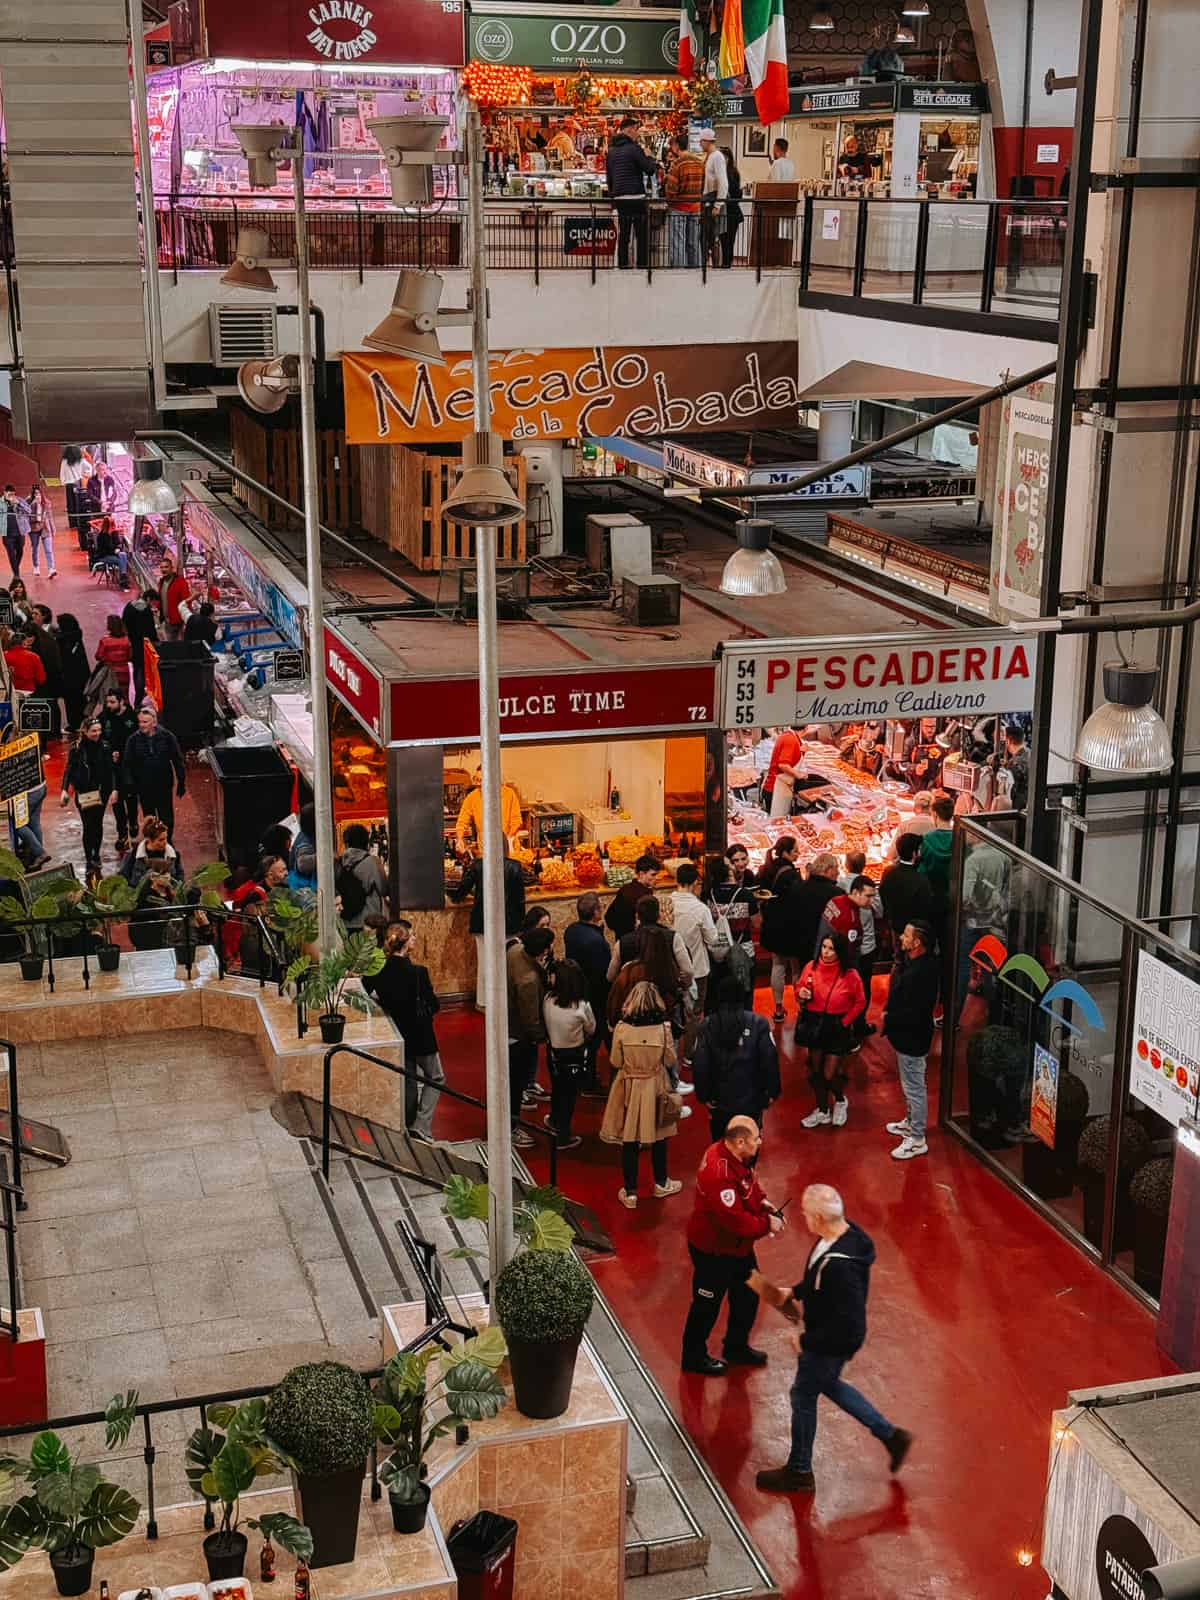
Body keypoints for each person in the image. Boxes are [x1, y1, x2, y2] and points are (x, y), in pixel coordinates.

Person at [755, 1184, 912, 1493]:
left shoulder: (840, 1267)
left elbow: (847, 1320)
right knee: (826, 1385)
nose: (802, 1217)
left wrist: (807, 1342)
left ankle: (799, 1470)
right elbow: (818, 1279)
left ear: (818, 1218)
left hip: (830, 1341)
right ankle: (890, 1436)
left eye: (805, 1213)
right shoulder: (844, 1234)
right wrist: (796, 1292)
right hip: (830, 1337)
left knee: (803, 1395)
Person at [681, 1115, 782, 1375]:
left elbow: (748, 1183)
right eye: (756, 1138)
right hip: (714, 1250)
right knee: (706, 1305)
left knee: (748, 1294)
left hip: (737, 1249)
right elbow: (734, 1221)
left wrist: (761, 1203)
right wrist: (767, 1224)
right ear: (740, 1141)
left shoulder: (731, 1156)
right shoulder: (719, 1173)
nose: (760, 1141)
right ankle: (693, 1357)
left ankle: (736, 1347)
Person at [600, 981, 681, 1207]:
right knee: (660, 1135)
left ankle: (630, 1191)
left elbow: (615, 1060)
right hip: (655, 1084)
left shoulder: (622, 1028)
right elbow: (670, 1060)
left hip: (629, 1086)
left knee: (629, 1139)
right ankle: (661, 1182)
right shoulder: (663, 1028)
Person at [363, 922, 445, 1142]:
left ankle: (407, 1125)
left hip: (397, 1033)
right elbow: (434, 1005)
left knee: (408, 1078)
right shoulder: (418, 973)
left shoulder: (379, 969)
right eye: (413, 936)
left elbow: (364, 991)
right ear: (406, 942)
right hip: (422, 1036)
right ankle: (422, 1125)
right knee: (436, 1077)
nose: (415, 939)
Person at [694, 977, 780, 1140]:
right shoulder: (759, 1023)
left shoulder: (707, 1025)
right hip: (752, 1101)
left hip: (719, 1102)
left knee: (721, 1145)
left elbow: (701, 1064)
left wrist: (704, 1095)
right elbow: (770, 1059)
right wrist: (772, 1092)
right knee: (749, 1145)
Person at [797, 933, 866, 1129]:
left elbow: (860, 1002)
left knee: (830, 1073)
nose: (826, 953)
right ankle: (822, 1110)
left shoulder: (850, 974)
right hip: (814, 1023)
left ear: (840, 952)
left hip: (836, 1026)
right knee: (816, 1071)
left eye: (831, 949)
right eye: (824, 947)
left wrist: (845, 1022)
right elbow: (800, 987)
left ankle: (840, 1100)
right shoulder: (811, 966)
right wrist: (800, 993)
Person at [882, 920, 938, 1159]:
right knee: (909, 1084)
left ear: (917, 943)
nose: (901, 938)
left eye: (906, 935)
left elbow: (914, 1010)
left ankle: (917, 1138)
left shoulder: (921, 973)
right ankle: (910, 1121)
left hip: (912, 1037)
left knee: (914, 1087)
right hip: (905, 1035)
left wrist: (889, 1017)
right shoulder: (913, 965)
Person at [450, 837, 526, 1008]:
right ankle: (503, 1002)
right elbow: (520, 899)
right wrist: (521, 924)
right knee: (506, 963)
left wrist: (452, 895)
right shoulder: (515, 867)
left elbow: (461, 890)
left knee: (485, 962)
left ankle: (483, 1002)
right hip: (508, 923)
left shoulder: (478, 865)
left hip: (482, 921)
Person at [506, 925, 554, 1150]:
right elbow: (530, 1019)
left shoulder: (514, 951)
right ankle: (511, 1128)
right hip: (518, 1036)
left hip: (505, 1026)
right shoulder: (530, 980)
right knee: (515, 1084)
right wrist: (543, 1037)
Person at [542, 958, 595, 1152]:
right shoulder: (582, 1006)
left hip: (553, 1052)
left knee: (557, 1089)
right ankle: (563, 1136)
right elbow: (591, 1028)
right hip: (574, 1054)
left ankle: (554, 1120)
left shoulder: (547, 1000)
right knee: (569, 1096)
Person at [563, 891, 611, 1094]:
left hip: (579, 989)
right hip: (595, 993)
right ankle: (587, 1080)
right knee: (596, 1035)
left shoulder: (571, 931)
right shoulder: (597, 942)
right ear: (595, 912)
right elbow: (604, 972)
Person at [671, 862, 718, 1059]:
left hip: (672, 968)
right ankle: (690, 1054)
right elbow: (712, 939)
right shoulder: (700, 909)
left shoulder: (667, 902)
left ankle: (671, 1056)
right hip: (697, 968)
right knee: (694, 1013)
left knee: (672, 1012)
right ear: (694, 883)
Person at [61, 716, 116, 877]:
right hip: (83, 792)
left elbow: (111, 769)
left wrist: (113, 789)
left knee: (97, 823)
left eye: (99, 730)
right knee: (87, 824)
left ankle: (96, 854)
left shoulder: (105, 746)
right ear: (85, 731)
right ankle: (88, 858)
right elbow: (69, 769)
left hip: (101, 792)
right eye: (93, 731)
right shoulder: (76, 748)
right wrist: (64, 789)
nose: (97, 733)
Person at [122, 703, 186, 840]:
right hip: (143, 785)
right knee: (149, 817)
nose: (141, 725)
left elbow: (177, 759)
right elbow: (127, 764)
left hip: (163, 783)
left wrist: (181, 781)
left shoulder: (168, 737)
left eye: (145, 722)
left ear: (154, 722)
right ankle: (152, 842)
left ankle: (167, 842)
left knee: (166, 816)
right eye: (140, 722)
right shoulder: (132, 740)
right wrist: (130, 784)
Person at [605, 116, 659, 270]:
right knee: (641, 235)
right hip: (636, 197)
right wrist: (649, 156)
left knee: (624, 235)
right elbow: (649, 170)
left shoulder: (611, 151)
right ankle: (642, 266)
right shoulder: (635, 149)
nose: (637, 133)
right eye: (636, 130)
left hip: (620, 198)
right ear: (629, 130)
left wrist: (613, 199)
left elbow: (609, 177)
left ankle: (623, 266)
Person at [880, 833, 935, 943]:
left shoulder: (888, 873)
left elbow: (883, 895)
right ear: (914, 854)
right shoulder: (921, 880)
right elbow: (926, 908)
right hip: (913, 932)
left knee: (898, 954)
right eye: (919, 849)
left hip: (895, 926)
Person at [100, 689, 137, 850]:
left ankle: (134, 821)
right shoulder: (104, 717)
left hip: (130, 765)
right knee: (116, 801)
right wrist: (109, 752)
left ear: (122, 701)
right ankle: (122, 832)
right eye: (107, 702)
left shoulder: (132, 717)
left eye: (112, 702)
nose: (109, 705)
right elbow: (99, 737)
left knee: (131, 796)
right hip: (112, 767)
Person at [454, 766, 522, 852]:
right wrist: (459, 839)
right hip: (485, 850)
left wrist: (507, 840)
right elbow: (462, 822)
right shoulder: (472, 797)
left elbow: (516, 821)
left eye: (480, 780)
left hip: (508, 847)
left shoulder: (509, 794)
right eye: (476, 779)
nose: (477, 784)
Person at [917, 792, 956, 942]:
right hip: (952, 896)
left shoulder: (927, 839)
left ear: (934, 814)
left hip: (932, 896)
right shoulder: (958, 838)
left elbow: (922, 868)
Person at [336, 822, 389, 931]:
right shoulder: (373, 862)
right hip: (369, 923)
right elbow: (383, 889)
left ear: (346, 843)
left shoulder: (339, 863)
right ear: (366, 841)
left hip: (345, 923)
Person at [665, 133, 704, 268]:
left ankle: (678, 273)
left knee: (678, 243)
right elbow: (704, 185)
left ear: (676, 146)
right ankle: (696, 271)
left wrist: (669, 202)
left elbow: (671, 189)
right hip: (696, 207)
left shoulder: (677, 164)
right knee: (694, 242)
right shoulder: (699, 162)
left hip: (679, 208)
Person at [605, 853, 659, 942]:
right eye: (653, 875)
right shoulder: (646, 897)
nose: (657, 878)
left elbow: (609, 917)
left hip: (622, 941)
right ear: (641, 874)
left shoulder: (624, 889)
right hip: (638, 944)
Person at [119, 813, 184, 889]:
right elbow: (123, 877)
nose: (165, 842)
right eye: (161, 840)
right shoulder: (133, 855)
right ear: (149, 840)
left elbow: (180, 878)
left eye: (166, 838)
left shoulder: (174, 855)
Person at [122, 589, 159, 706]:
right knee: (142, 670)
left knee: (136, 668)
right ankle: (139, 695)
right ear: (148, 599)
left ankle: (139, 693)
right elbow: (150, 630)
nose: (152, 605)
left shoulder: (129, 606)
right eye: (152, 602)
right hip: (143, 645)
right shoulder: (146, 610)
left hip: (132, 643)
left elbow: (124, 622)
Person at [53, 613, 90, 734]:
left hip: (68, 676)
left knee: (70, 702)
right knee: (81, 699)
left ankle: (73, 724)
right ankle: (84, 722)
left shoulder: (61, 639)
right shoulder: (77, 635)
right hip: (81, 674)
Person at [698, 128, 728, 265]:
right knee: (706, 236)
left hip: (713, 200)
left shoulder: (717, 157)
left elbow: (723, 182)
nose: (700, 144)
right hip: (708, 199)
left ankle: (714, 268)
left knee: (713, 237)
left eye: (701, 141)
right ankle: (707, 265)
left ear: (706, 141)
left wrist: (718, 204)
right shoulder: (710, 157)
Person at [762, 725, 804, 820]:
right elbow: (783, 765)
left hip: (777, 787)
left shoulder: (788, 736)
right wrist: (800, 775)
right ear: (806, 728)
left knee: (777, 823)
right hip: (776, 789)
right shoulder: (791, 739)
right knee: (776, 824)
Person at [59, 446, 92, 549]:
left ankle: (72, 522)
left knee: (70, 504)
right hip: (78, 483)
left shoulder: (65, 461)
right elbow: (89, 468)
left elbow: (62, 472)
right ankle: (78, 522)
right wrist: (84, 475)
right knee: (79, 503)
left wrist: (63, 481)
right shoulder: (80, 460)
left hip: (69, 484)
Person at [886, 790, 935, 858]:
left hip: (909, 866)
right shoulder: (938, 826)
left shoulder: (905, 825)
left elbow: (892, 855)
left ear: (914, 808)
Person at [901, 717, 945, 792]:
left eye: (933, 726)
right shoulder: (911, 741)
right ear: (920, 724)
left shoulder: (942, 740)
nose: (930, 730)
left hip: (935, 787)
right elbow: (901, 765)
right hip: (913, 787)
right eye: (926, 726)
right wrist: (914, 768)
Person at [95, 614, 132, 697]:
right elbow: (130, 657)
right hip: (124, 672)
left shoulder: (104, 641)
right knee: (124, 695)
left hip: (110, 672)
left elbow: (98, 656)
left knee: (110, 696)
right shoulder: (127, 640)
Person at [719, 146, 743, 268]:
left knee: (726, 240)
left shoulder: (729, 173)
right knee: (728, 240)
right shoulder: (734, 172)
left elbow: (735, 192)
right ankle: (727, 263)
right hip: (732, 211)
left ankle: (726, 264)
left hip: (729, 211)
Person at [157, 557, 192, 642]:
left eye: (166, 567)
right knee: (171, 644)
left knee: (178, 645)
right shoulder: (161, 582)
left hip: (178, 621)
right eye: (161, 567)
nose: (163, 569)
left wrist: (186, 621)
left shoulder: (180, 582)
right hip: (167, 620)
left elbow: (187, 601)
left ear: (172, 568)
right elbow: (162, 599)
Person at [27, 483, 56, 579]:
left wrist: (53, 528)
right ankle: (36, 566)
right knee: (35, 548)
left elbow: (50, 516)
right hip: (33, 527)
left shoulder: (46, 502)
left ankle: (51, 569)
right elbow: (26, 515)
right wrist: (34, 504)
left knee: (48, 549)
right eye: (35, 494)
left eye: (39, 493)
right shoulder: (29, 501)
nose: (37, 495)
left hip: (45, 527)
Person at [2, 486, 30, 581]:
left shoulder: (19, 500)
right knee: (11, 554)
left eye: (13, 494)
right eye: (9, 494)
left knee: (20, 551)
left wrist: (19, 504)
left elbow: (29, 511)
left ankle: (15, 567)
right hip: (7, 534)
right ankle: (16, 574)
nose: (11, 496)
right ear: (4, 493)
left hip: (20, 531)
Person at [1002, 721, 1029, 811]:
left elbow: (1009, 787)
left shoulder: (1014, 762)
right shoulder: (1031, 754)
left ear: (1009, 741)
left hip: (1018, 807)